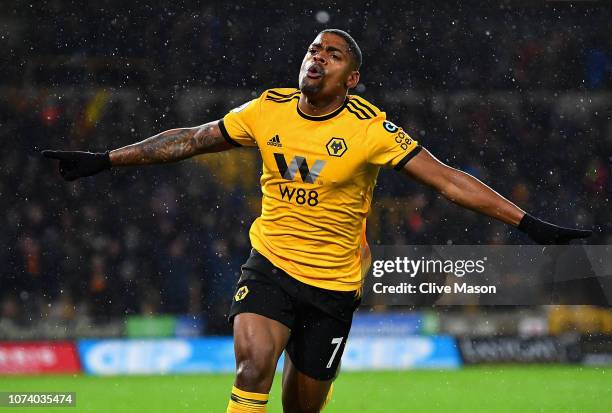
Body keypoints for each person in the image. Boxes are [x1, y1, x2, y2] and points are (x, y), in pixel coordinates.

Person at [43, 29, 591, 413]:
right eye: (312, 49)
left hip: (333, 287)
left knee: (300, 405)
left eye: (331, 54)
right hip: (271, 268)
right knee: (251, 368)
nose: (317, 57)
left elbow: (447, 179)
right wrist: (108, 159)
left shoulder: (371, 128)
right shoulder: (268, 109)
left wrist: (528, 224)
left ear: (351, 78)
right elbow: (189, 139)